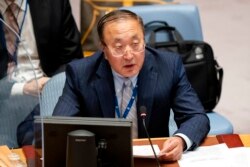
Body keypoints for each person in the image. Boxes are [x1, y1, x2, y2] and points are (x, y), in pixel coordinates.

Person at [53, 9, 210, 161]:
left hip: (151, 159)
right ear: (104, 50)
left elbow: (196, 117)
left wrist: (180, 140)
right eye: (118, 47)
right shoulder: (81, 73)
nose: (129, 56)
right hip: (100, 159)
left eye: (136, 44)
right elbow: (57, 128)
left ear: (144, 41)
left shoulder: (168, 66)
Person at [0, 0, 83, 148]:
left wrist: (52, 85)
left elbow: (73, 60)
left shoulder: (54, 4)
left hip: (44, 95)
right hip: (3, 99)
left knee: (50, 148)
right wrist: (22, 88)